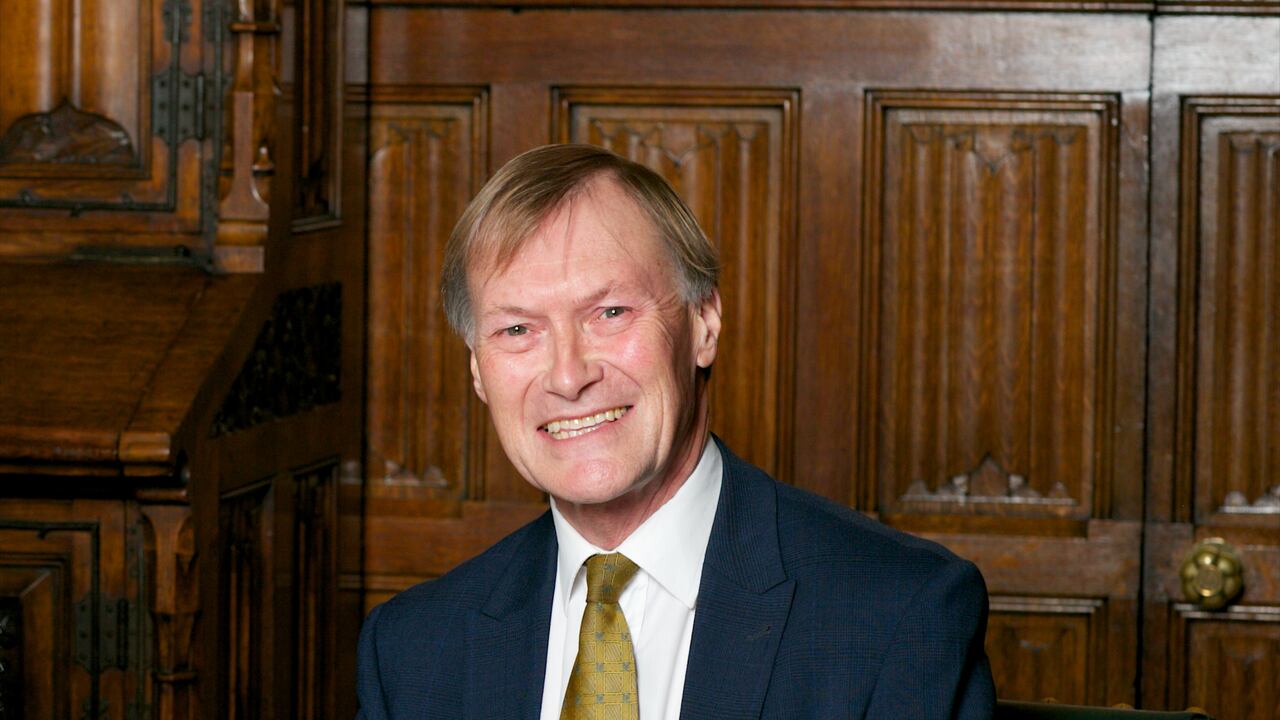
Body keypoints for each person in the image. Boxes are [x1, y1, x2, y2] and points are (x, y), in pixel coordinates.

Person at [355, 144, 995, 719]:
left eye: (610, 312)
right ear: (477, 369)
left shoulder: (897, 615)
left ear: (703, 323)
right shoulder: (411, 652)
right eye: (517, 329)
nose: (568, 376)